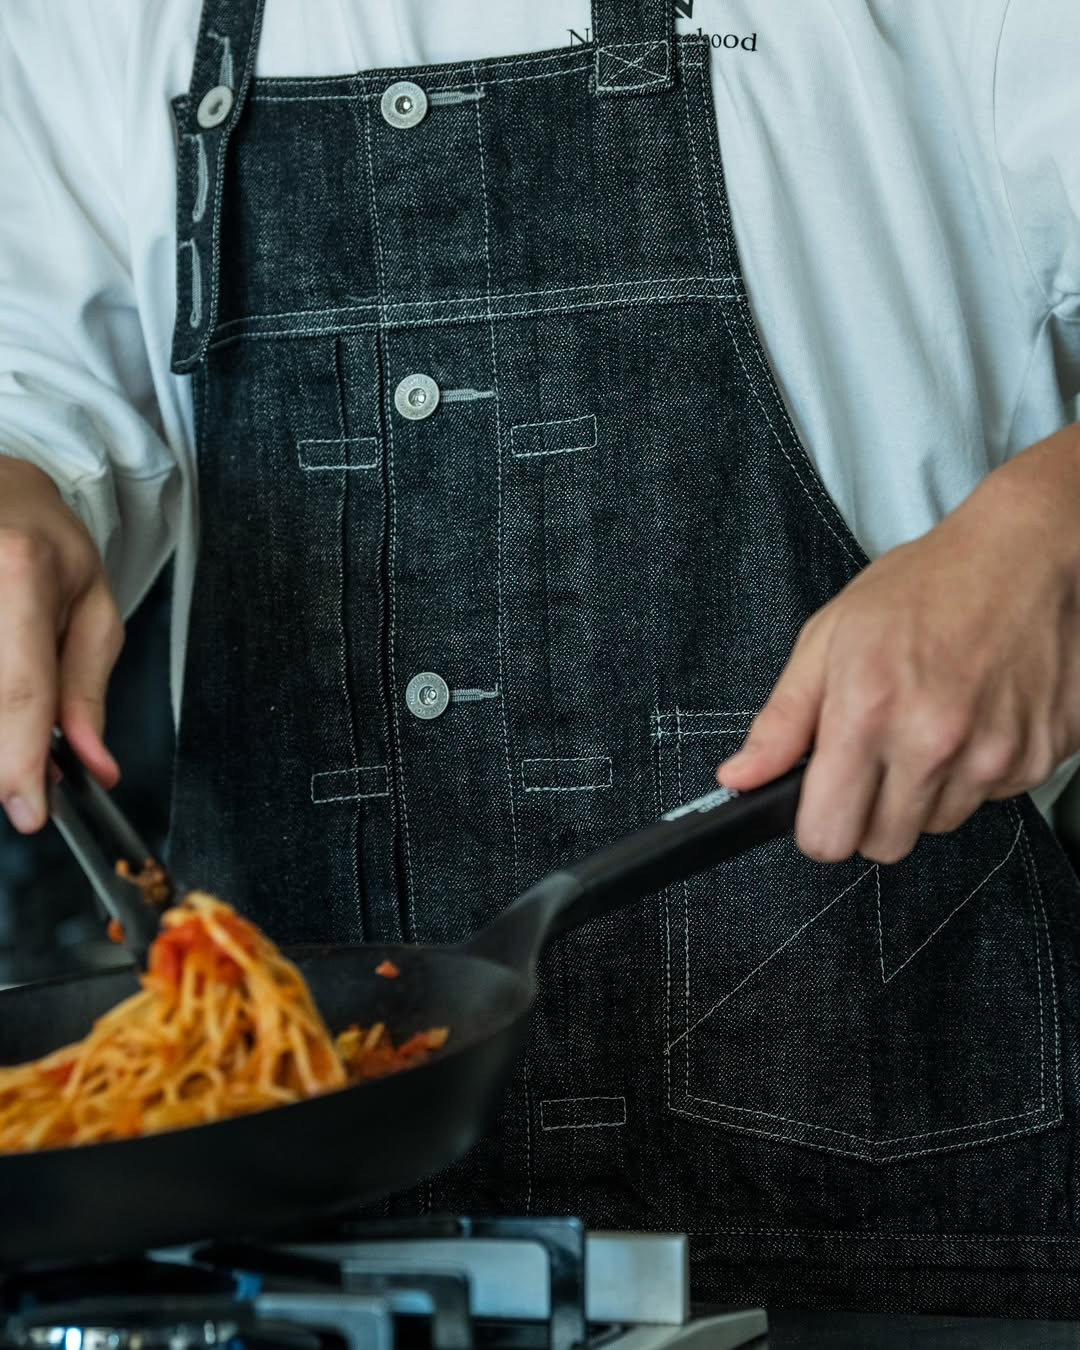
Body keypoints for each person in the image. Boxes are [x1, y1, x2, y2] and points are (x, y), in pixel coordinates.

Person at [2, 0, 1080, 1317]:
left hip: (900, 1222)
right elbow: (38, 378)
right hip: (291, 1235)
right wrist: (20, 489)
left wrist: (1048, 531)